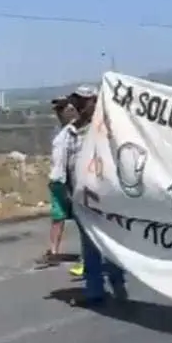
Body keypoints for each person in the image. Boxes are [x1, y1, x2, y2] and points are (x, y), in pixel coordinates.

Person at [65, 86, 128, 306]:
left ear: (94, 101)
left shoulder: (105, 128)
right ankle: (94, 291)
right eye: (77, 101)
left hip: (104, 197)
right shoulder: (71, 131)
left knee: (108, 243)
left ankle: (117, 282)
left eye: (84, 101)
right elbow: (67, 163)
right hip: (81, 197)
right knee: (89, 246)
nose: (79, 106)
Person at [42, 97, 77, 267]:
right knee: (57, 216)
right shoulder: (57, 131)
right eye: (58, 109)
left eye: (62, 109)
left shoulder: (75, 131)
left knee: (82, 216)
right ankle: (53, 250)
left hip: (71, 179)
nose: (59, 112)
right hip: (57, 179)